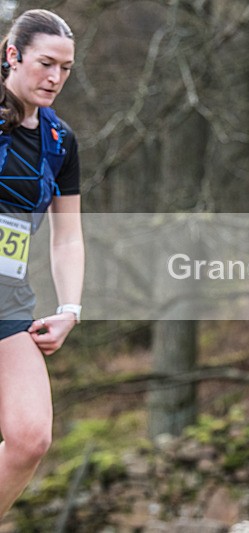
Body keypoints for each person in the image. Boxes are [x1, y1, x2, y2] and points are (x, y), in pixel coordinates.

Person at [0, 9, 84, 518]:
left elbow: (67, 237)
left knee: (31, 438)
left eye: (66, 68)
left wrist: (69, 307)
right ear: (13, 55)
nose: (55, 78)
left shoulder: (60, 142)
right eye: (46, 63)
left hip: (10, 302)